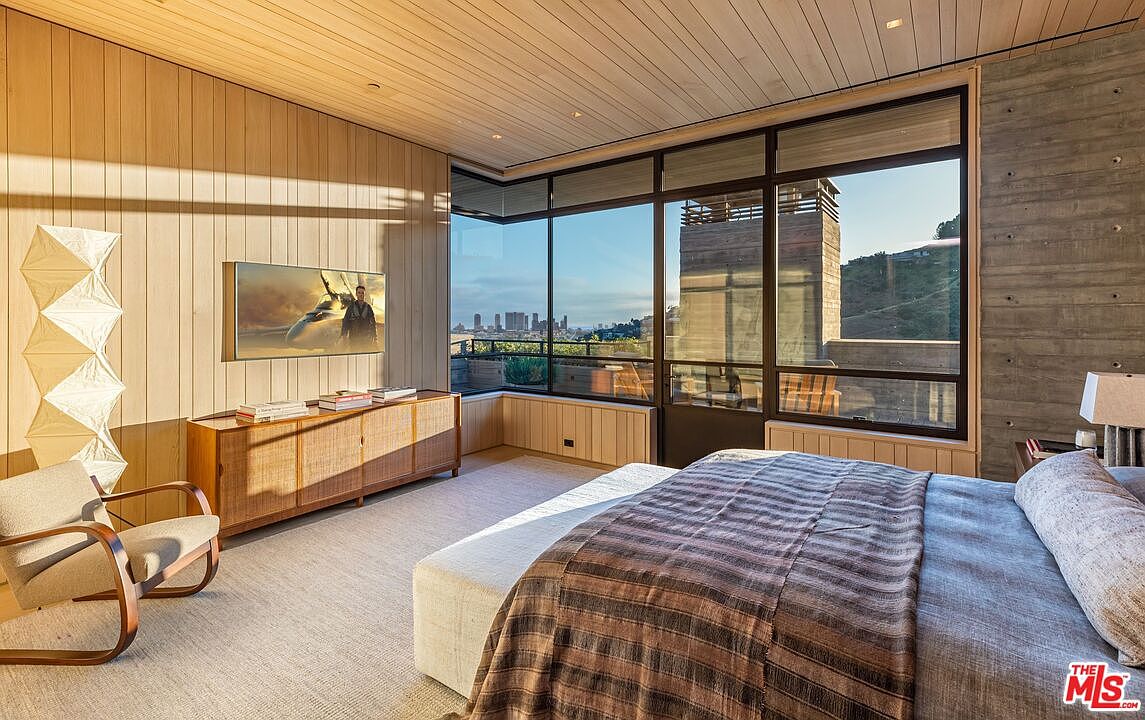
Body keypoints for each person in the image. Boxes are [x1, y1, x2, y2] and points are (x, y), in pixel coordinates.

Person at [341, 285, 377, 351]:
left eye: (362, 293)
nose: (361, 295)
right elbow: (345, 321)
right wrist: (344, 336)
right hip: (354, 340)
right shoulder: (351, 307)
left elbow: (373, 323)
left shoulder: (368, 308)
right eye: (359, 293)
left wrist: (375, 338)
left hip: (366, 340)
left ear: (364, 294)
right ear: (356, 294)